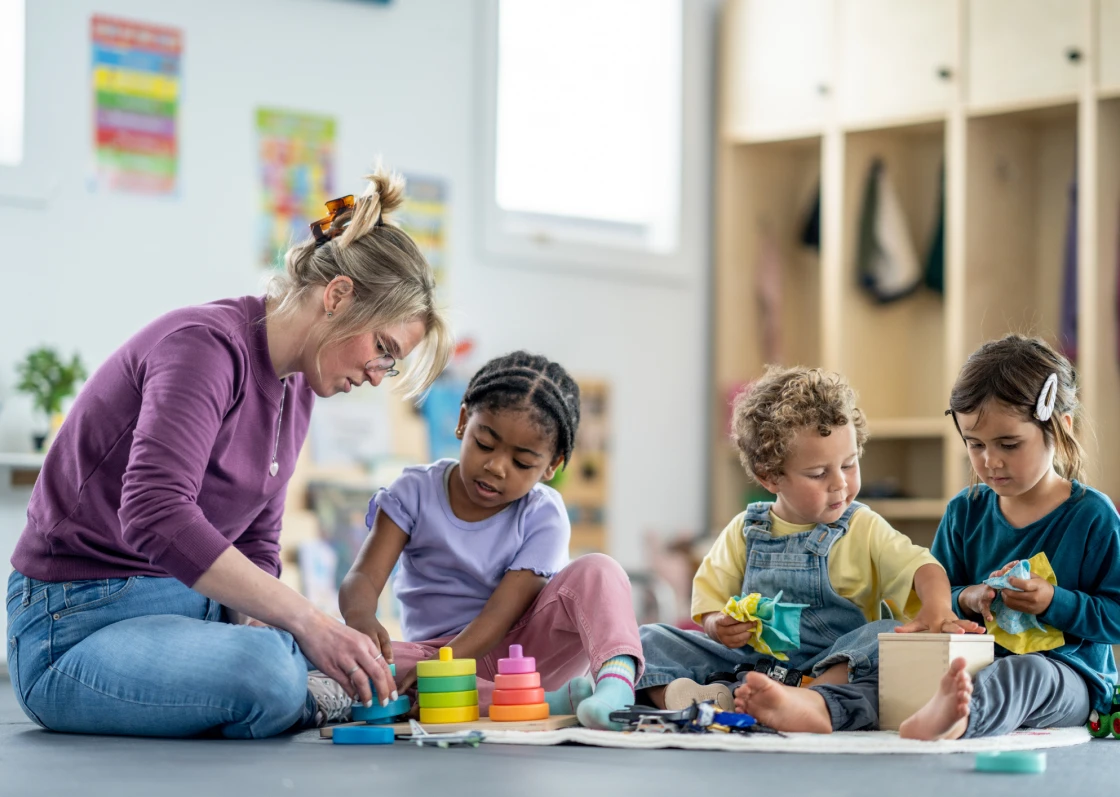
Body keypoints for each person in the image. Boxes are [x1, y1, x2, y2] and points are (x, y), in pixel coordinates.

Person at [6, 165, 452, 738]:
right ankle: (312, 693)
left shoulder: (298, 388)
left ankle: (321, 680)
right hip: (74, 624)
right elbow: (153, 512)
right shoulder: (204, 347)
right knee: (270, 672)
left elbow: (257, 543)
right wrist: (305, 627)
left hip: (187, 609)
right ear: (339, 297)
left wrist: (304, 634)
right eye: (382, 349)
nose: (376, 374)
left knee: (362, 654)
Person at [637, 365, 980, 732]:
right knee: (648, 638)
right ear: (770, 475)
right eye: (818, 474)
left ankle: (803, 701)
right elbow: (708, 603)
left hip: (832, 666)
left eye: (849, 464)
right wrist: (719, 626)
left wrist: (937, 608)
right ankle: (695, 698)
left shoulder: (862, 526)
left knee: (883, 633)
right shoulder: (744, 529)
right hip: (752, 665)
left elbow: (924, 568)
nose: (840, 484)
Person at [339, 351, 643, 730]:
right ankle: (549, 703)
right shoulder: (413, 492)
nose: (496, 466)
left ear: (552, 466)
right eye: (485, 443)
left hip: (525, 652)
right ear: (464, 421)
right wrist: (360, 619)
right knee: (356, 661)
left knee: (600, 569)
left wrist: (443, 666)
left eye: (522, 462)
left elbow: (501, 615)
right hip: (434, 658)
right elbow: (364, 578)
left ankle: (615, 688)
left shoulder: (543, 513)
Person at [900, 334, 1120, 740]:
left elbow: (1116, 614)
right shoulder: (963, 512)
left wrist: (1055, 602)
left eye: (1009, 444)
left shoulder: (1092, 515)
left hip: (1067, 677)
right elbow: (933, 598)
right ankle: (832, 701)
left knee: (1026, 672)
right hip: (974, 662)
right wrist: (966, 598)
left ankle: (959, 720)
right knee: (877, 635)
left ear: (1060, 428)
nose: (990, 461)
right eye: (975, 444)